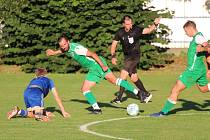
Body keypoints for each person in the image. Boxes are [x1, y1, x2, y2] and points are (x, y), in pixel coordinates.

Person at [46, 33, 145, 114]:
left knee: (114, 81)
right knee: (85, 89)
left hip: (97, 65)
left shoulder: (77, 48)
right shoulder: (66, 49)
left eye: (64, 44)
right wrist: (53, 53)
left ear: (68, 42)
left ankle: (139, 93)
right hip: (92, 68)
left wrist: (102, 65)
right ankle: (97, 109)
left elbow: (93, 54)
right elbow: (62, 51)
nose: (63, 47)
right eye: (61, 46)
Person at [150, 20, 210, 117]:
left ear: (190, 29)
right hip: (200, 69)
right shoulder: (199, 36)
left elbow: (208, 48)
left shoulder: (198, 37)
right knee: (203, 89)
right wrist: (208, 68)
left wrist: (203, 48)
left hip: (193, 70)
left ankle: (163, 112)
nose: (185, 33)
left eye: (186, 31)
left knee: (175, 89)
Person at [110, 15, 160, 104]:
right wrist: (113, 56)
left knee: (122, 75)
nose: (129, 26)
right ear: (123, 24)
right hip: (127, 57)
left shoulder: (136, 30)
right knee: (134, 78)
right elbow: (114, 45)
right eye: (127, 24)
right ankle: (146, 94)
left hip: (135, 56)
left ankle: (119, 98)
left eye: (130, 23)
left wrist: (155, 24)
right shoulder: (120, 32)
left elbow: (148, 30)